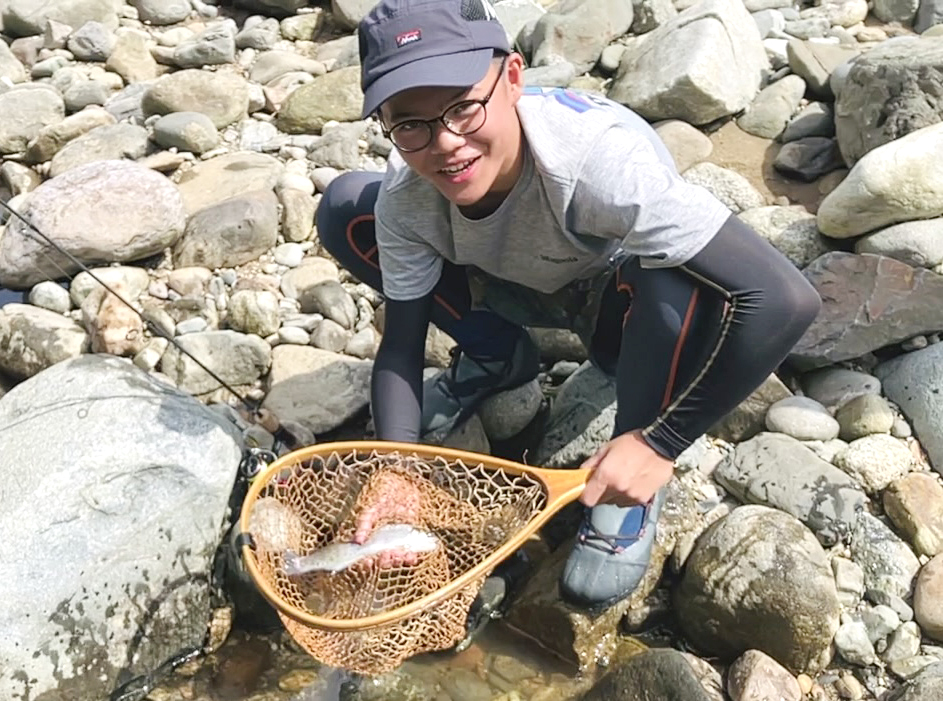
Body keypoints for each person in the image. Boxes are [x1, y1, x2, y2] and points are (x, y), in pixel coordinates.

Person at [316, 0, 821, 612]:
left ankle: (630, 486)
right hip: (510, 284)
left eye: (462, 107)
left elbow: (785, 298)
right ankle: (499, 359)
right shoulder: (409, 193)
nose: (445, 143)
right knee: (349, 208)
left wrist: (660, 443)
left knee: (676, 277)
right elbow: (400, 344)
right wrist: (397, 468)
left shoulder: (599, 162)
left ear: (513, 78)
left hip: (618, 304)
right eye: (410, 125)